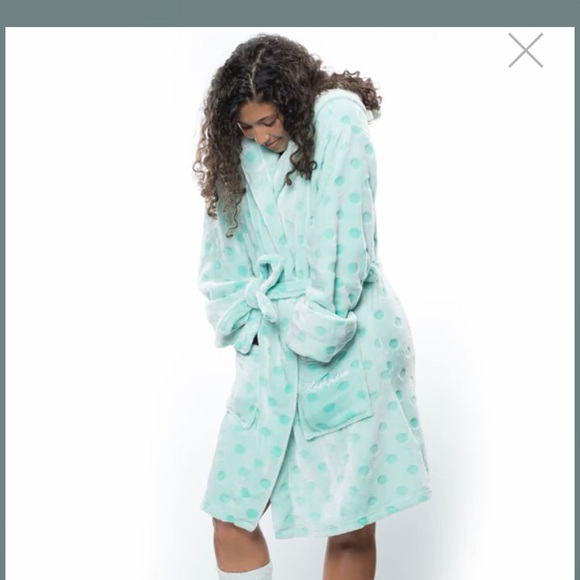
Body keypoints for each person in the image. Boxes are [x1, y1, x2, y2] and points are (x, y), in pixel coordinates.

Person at [193, 33, 432, 580]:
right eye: (247, 127)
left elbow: (343, 237)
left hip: (349, 336)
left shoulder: (337, 119)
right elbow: (220, 255)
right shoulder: (237, 155)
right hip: (271, 347)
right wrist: (247, 326)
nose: (262, 136)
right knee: (231, 517)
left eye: (269, 120)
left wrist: (320, 323)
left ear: (293, 101)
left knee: (350, 526)